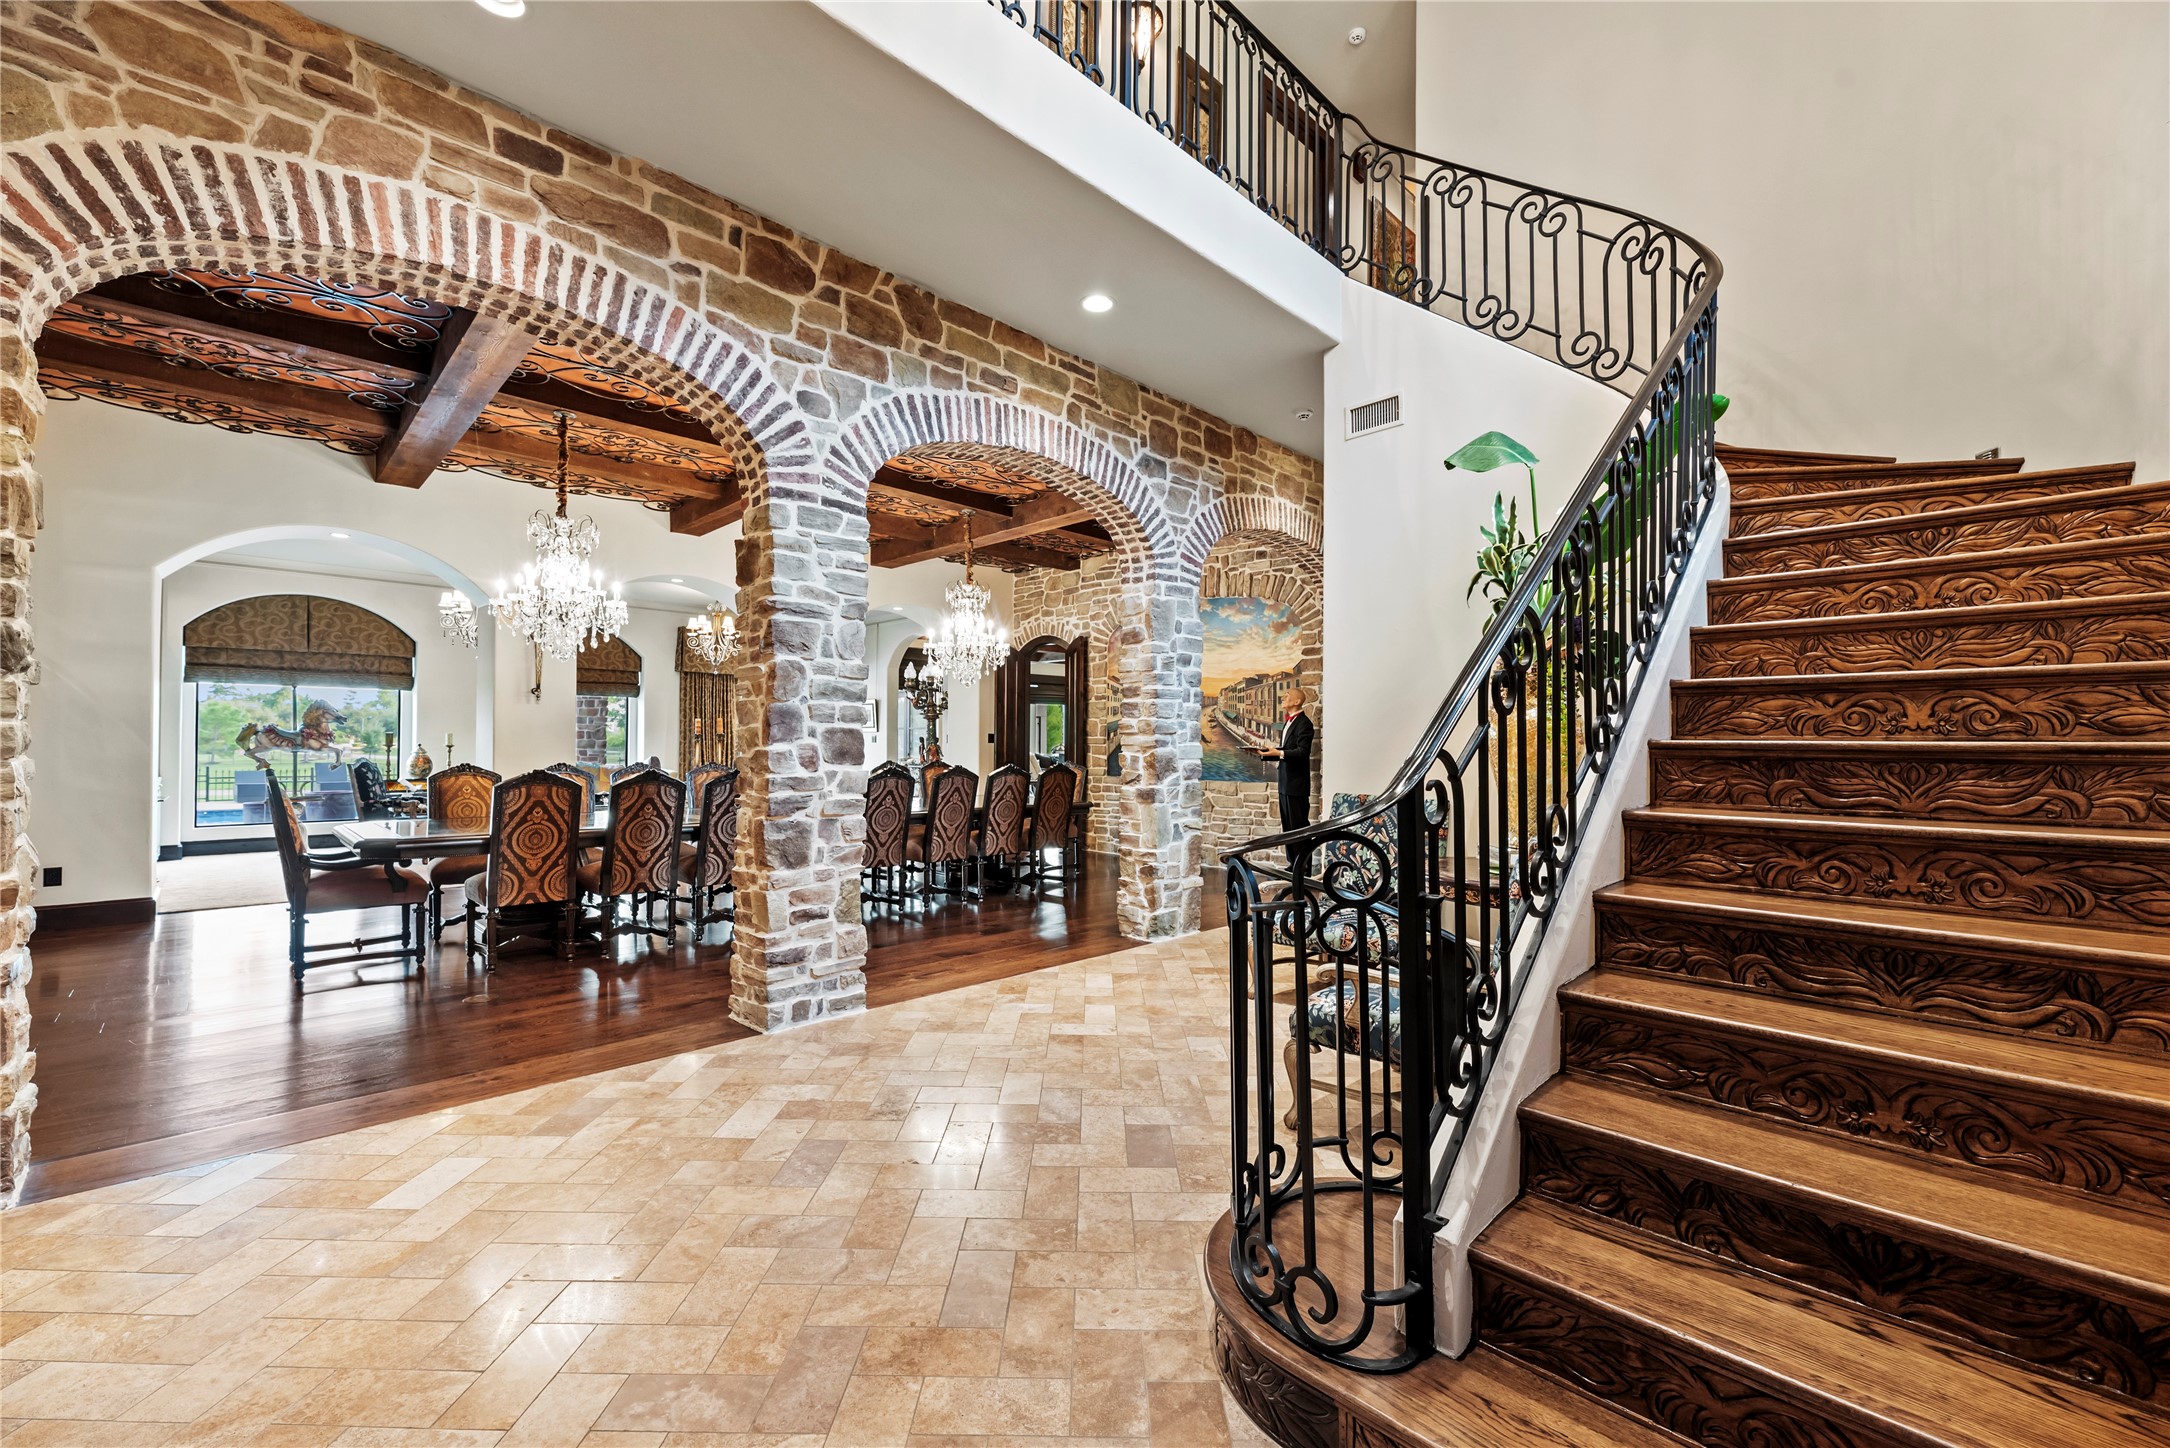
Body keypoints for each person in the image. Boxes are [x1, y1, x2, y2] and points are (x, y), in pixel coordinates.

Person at [1260, 685, 1315, 842]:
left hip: (1296, 785)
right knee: (1288, 831)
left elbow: (1303, 752)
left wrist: (1278, 753)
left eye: (1286, 695)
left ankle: (1303, 867)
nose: (1283, 698)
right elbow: (1286, 750)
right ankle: (1293, 865)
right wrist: (1265, 753)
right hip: (1285, 783)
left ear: (1297, 701)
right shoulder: (1289, 722)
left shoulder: (1304, 723)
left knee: (1298, 829)